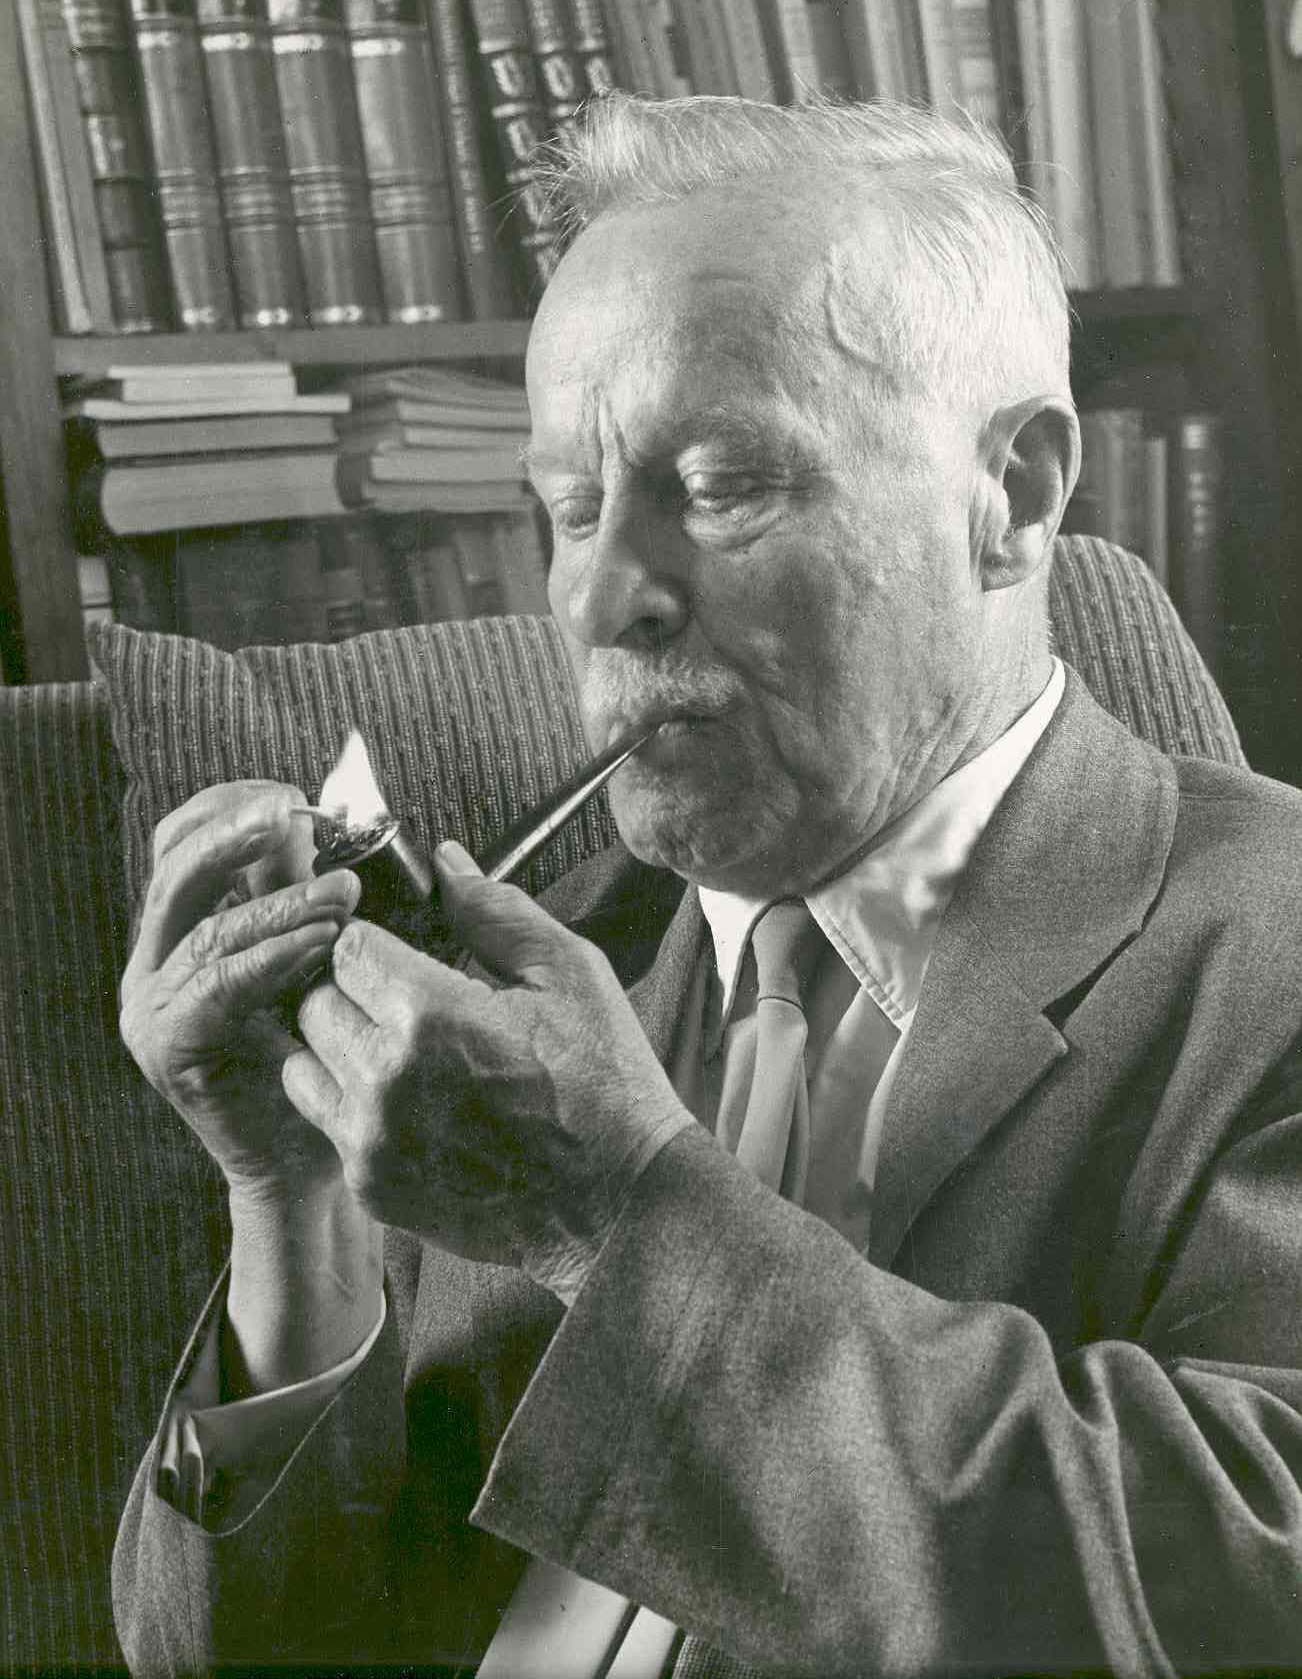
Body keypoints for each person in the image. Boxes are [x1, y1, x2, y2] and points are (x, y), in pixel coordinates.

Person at [113, 94, 1302, 1677]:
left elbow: (1248, 1598)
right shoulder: (540, 972)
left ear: (1012, 495)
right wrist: (292, 1206)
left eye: (723, 481)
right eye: (570, 508)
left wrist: (609, 1213)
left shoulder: (1263, 950)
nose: (600, 596)